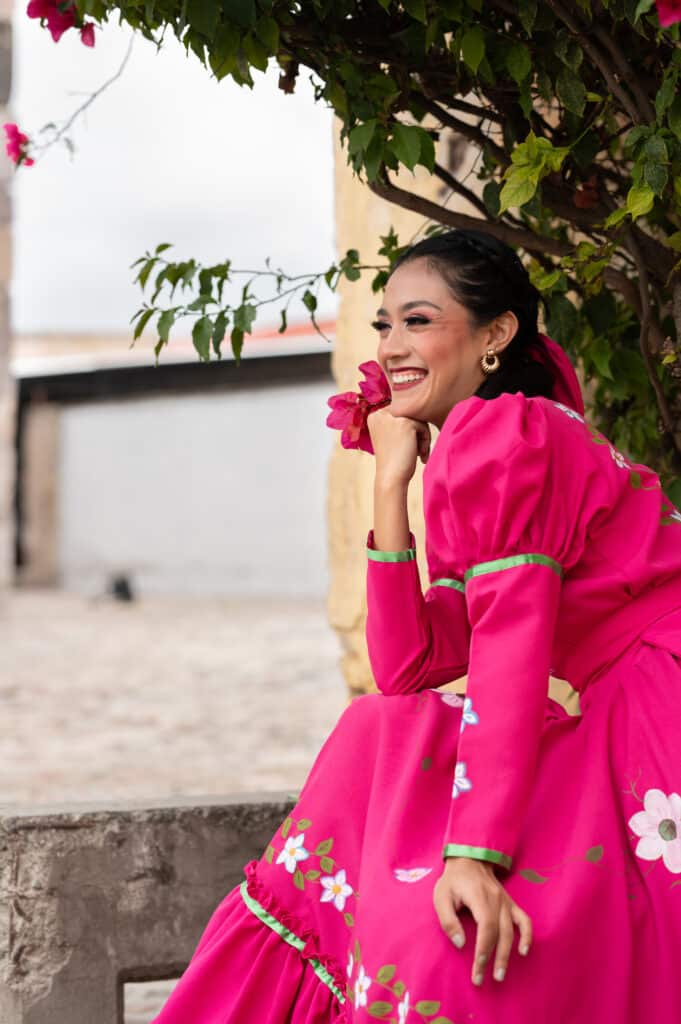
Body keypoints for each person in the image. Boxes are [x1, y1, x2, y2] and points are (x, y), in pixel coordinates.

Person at [151, 229, 681, 1024]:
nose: (392, 346)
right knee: (381, 728)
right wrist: (391, 479)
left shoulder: (504, 437)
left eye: (418, 321)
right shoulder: (492, 441)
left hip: (655, 697)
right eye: (384, 325)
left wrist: (475, 855)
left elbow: (509, 649)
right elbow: (408, 667)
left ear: (496, 334)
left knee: (479, 924)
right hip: (630, 695)